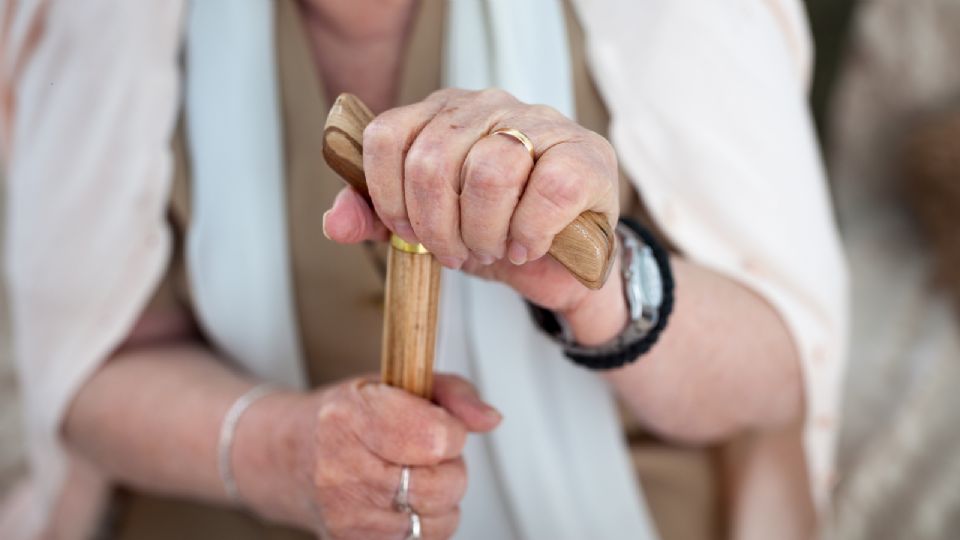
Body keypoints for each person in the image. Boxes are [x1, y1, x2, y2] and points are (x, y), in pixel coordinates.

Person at [0, 1, 847, 538]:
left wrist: (601, 283)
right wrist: (285, 453)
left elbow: (781, 369)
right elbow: (87, 367)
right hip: (234, 509)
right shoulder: (105, 23)